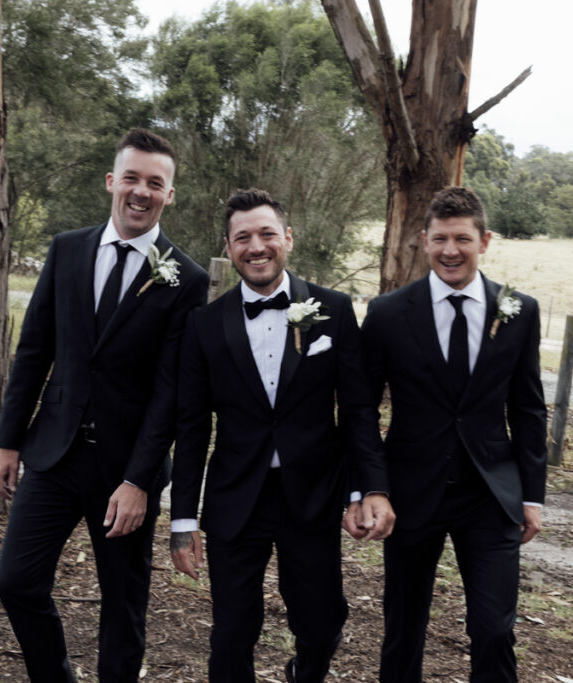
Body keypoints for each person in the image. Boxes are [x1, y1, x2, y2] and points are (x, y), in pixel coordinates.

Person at [0, 128, 209, 682]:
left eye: (155, 184)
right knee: (15, 582)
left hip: (124, 469)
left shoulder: (187, 279)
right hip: (53, 454)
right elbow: (34, 351)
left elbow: (170, 393)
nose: (141, 192)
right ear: (112, 181)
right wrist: (7, 441)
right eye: (131, 178)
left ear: (169, 195)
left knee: (124, 603)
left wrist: (139, 480)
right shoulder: (66, 250)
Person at [169, 188, 395, 683]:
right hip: (235, 499)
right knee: (232, 631)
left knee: (320, 622)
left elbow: (357, 411)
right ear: (229, 248)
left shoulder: (333, 309)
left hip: (312, 495)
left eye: (267, 233)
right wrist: (182, 519)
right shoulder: (204, 324)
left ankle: (305, 671)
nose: (256, 246)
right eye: (242, 237)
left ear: (287, 238)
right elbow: (191, 427)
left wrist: (364, 489)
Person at [353, 186, 547, 682]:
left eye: (462, 238)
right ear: (423, 240)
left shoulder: (518, 311)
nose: (450, 250)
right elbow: (360, 409)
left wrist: (532, 495)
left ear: (485, 241)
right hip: (411, 493)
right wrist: (371, 488)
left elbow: (528, 408)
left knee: (494, 628)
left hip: (490, 494)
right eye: (439, 239)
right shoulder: (389, 313)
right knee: (403, 625)